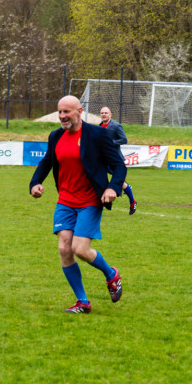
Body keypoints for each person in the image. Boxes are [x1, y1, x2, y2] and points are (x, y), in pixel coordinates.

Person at [29, 95, 126, 314]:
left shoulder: (97, 134)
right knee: (64, 249)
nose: (62, 116)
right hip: (65, 201)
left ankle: (111, 274)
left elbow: (119, 165)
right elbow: (47, 161)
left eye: (67, 112)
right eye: (60, 112)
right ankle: (82, 302)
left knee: (80, 249)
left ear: (79, 111)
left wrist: (112, 187)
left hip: (90, 201)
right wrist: (35, 183)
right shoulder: (55, 136)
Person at [99, 106, 138, 214]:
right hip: (103, 160)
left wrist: (111, 143)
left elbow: (124, 139)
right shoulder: (99, 127)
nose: (103, 114)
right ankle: (102, 203)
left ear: (110, 115)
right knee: (99, 179)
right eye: (102, 113)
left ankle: (132, 201)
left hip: (114, 160)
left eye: (106, 113)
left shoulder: (116, 126)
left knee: (121, 183)